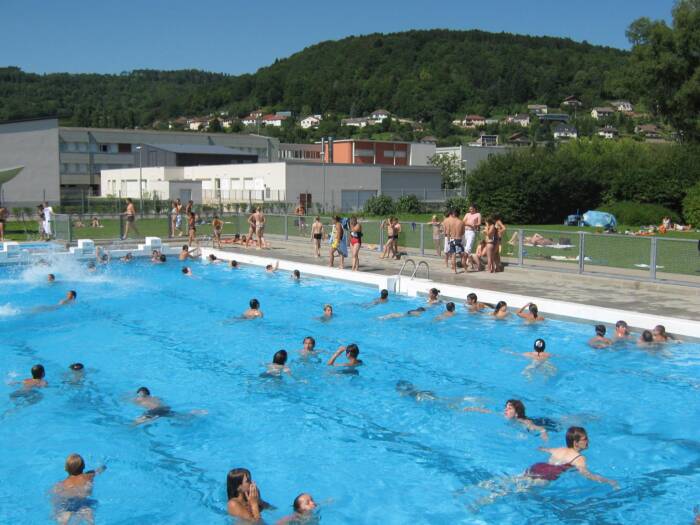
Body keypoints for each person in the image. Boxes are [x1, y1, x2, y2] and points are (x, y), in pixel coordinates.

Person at [525, 427, 618, 487]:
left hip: (538, 466)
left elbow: (541, 449)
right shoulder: (579, 458)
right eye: (585, 439)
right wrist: (608, 481)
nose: (588, 441)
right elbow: (587, 474)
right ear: (575, 443)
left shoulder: (558, 449)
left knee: (518, 482)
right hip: (548, 474)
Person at [52, 454, 106, 525]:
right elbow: (100, 470)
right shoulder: (88, 476)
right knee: (89, 517)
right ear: (83, 466)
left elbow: (55, 497)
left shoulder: (62, 484)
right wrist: (104, 466)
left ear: (65, 468)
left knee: (63, 518)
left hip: (68, 505)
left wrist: (55, 510)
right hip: (83, 504)